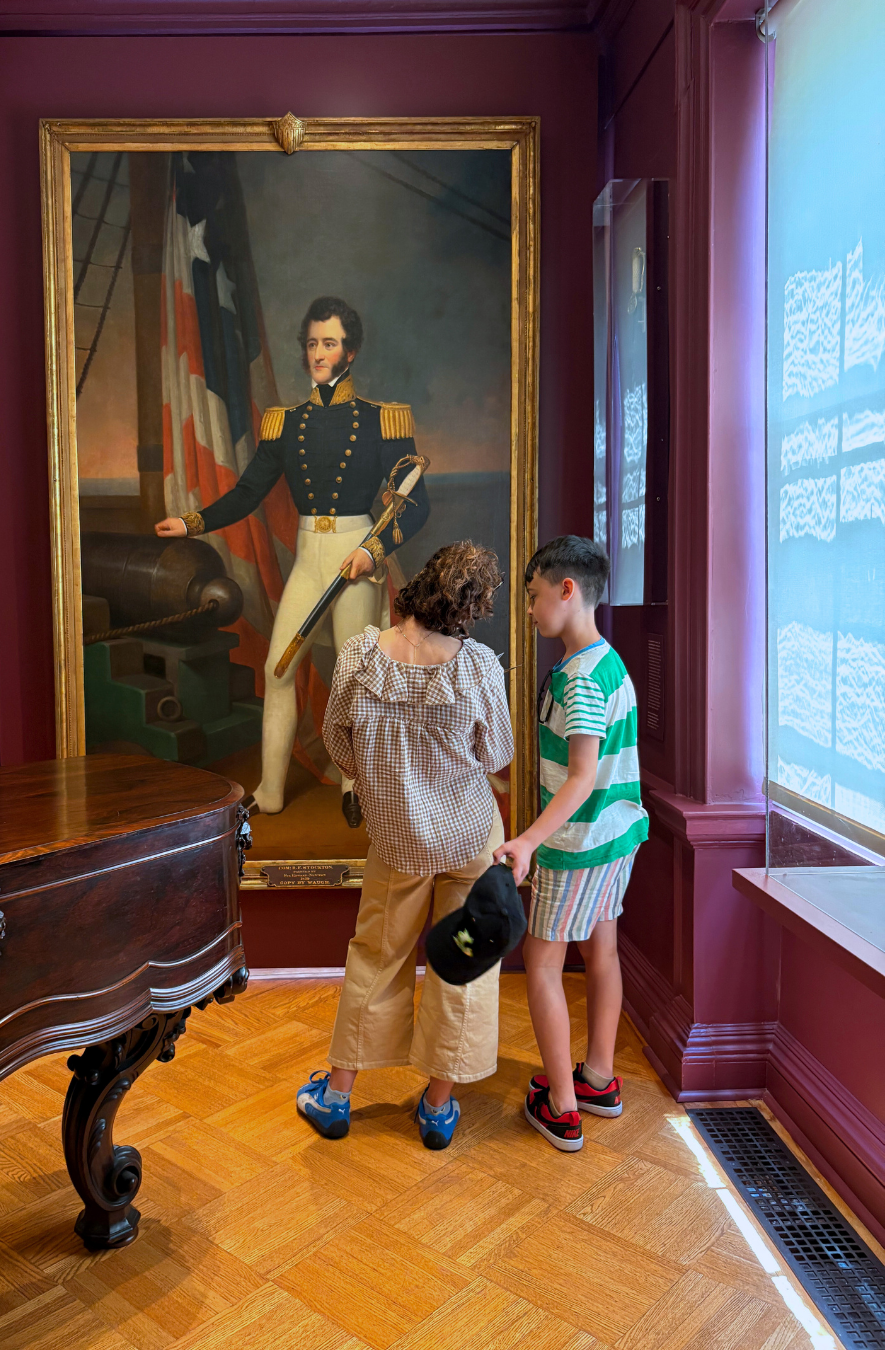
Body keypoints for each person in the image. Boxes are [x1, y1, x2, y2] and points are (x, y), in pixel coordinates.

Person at [154, 296, 430, 827]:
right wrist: (192, 523)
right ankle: (271, 790)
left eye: (330, 343)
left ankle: (355, 786)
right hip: (308, 560)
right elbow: (247, 493)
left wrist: (372, 551)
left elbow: (416, 503)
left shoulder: (382, 420)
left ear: (350, 352)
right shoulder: (287, 423)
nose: (318, 353)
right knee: (278, 668)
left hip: (355, 557)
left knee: (355, 677)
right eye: (312, 343)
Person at [294, 542, 514, 1149]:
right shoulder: (477, 667)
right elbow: (496, 754)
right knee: (464, 962)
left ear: (420, 584)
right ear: (470, 607)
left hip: (397, 841)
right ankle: (437, 1109)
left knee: (376, 955)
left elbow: (337, 741)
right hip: (470, 838)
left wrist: (385, 782)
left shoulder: (361, 655)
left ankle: (336, 1098)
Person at [495, 535, 649, 1152]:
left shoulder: (581, 678)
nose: (531, 610)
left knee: (542, 963)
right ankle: (599, 1079)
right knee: (602, 951)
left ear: (567, 590)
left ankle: (561, 1106)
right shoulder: (608, 662)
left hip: (577, 845)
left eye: (534, 596)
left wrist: (530, 840)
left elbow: (582, 777)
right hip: (617, 835)